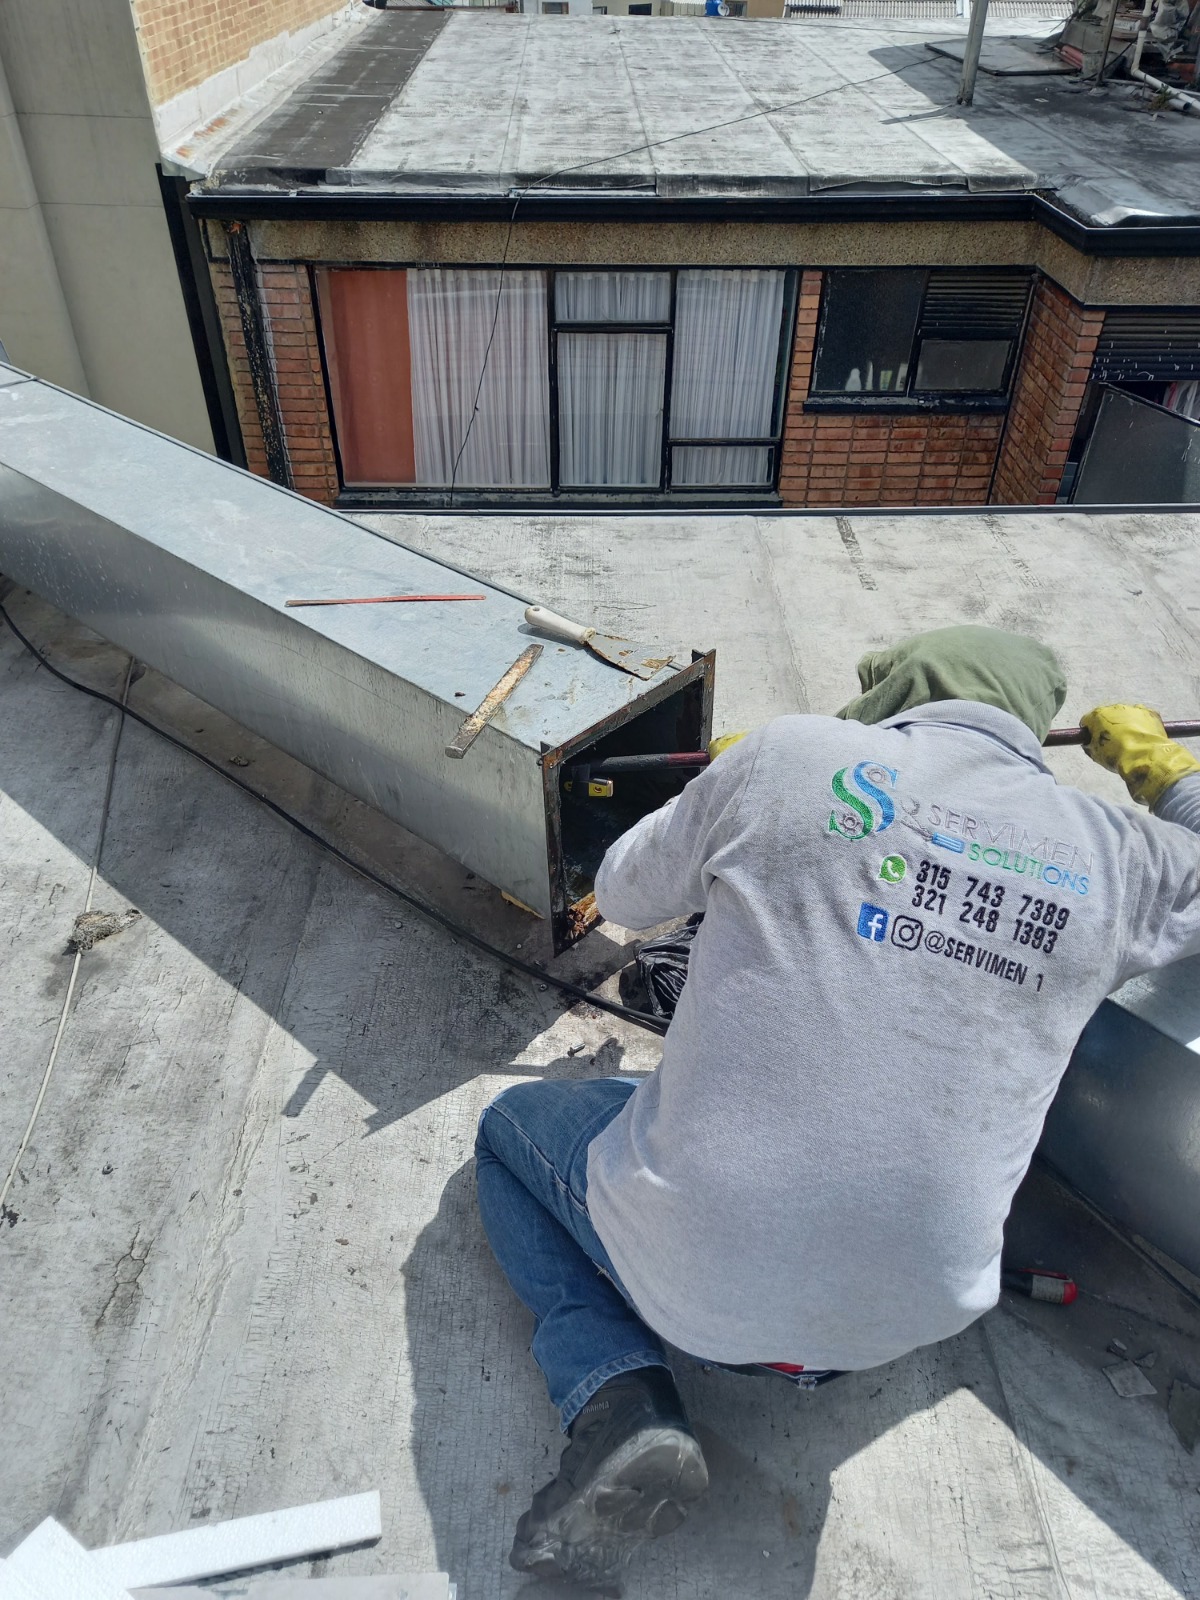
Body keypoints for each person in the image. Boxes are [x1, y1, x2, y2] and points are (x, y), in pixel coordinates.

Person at [474, 625, 1200, 1591]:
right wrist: (1163, 774)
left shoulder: (796, 757)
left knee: (509, 1134)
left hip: (700, 1280)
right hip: (906, 1319)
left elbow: (619, 892)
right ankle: (788, 1346)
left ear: (893, 692)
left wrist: (725, 792)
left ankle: (618, 1397)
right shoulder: (1120, 858)